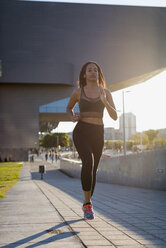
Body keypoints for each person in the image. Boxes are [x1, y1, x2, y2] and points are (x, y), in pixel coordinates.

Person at [66, 61, 117, 220]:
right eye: (90, 70)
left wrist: (105, 102)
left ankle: (87, 202)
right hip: (81, 131)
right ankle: (88, 205)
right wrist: (72, 116)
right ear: (84, 74)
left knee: (93, 170)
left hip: (98, 133)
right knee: (88, 161)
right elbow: (68, 108)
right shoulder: (78, 92)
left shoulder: (106, 92)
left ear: (98, 74)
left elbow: (114, 116)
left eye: (96, 70)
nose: (93, 72)